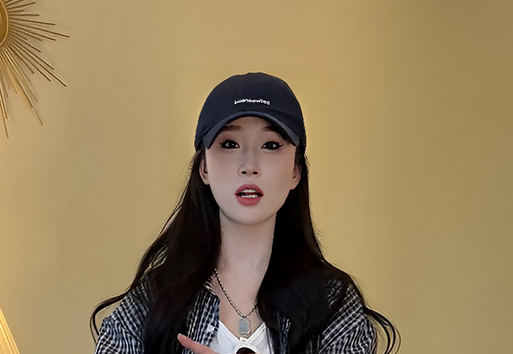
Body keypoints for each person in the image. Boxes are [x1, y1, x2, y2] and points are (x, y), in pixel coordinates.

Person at [91, 72, 399, 354]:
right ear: (204, 168)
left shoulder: (333, 304)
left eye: (270, 145)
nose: (249, 165)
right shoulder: (151, 303)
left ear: (295, 171)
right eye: (229, 143)